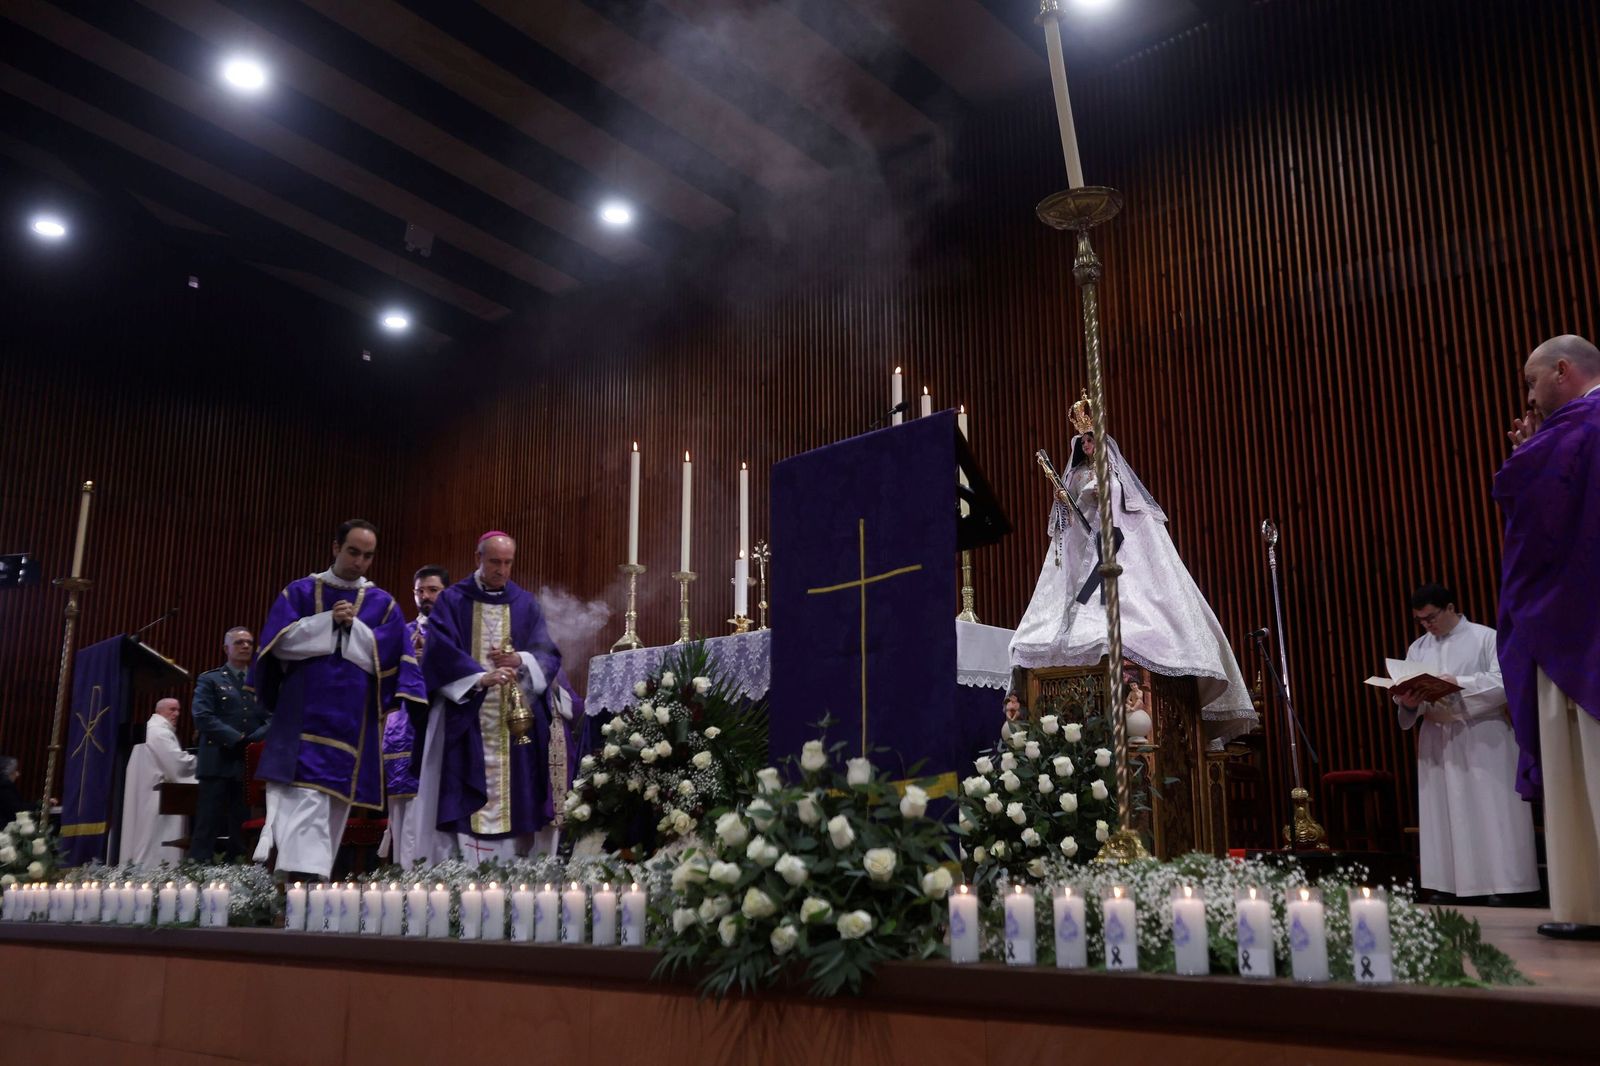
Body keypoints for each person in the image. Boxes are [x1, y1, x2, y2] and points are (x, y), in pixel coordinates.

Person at [1010, 392, 1256, 746]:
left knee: (1136, 614)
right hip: (1084, 551)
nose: (1088, 445)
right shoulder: (1077, 473)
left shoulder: (1112, 472)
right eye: (1083, 440)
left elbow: (1117, 508)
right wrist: (1064, 500)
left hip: (1116, 548)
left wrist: (1095, 495)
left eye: (1091, 438)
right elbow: (1066, 525)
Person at [250, 519, 426, 881]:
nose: (360, 561)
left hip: (351, 724)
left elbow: (391, 659)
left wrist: (353, 628)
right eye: (353, 552)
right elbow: (276, 645)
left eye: (368, 556)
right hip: (302, 717)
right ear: (335, 548)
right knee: (306, 795)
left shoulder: (382, 604)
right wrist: (326, 621)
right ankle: (302, 878)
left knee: (332, 803)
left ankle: (307, 879)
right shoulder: (299, 592)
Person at [1495, 333, 1600, 939]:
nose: (1530, 399)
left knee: (1580, 765)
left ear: (1563, 371)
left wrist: (1528, 454)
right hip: (1580, 616)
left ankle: (1584, 904)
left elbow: (1535, 513)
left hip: (1577, 627)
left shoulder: (1578, 428)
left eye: (1532, 384)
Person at [412, 532, 576, 864]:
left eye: (507, 562)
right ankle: (460, 872)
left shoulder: (525, 603)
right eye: (494, 562)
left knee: (516, 795)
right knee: (461, 788)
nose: (502, 570)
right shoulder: (453, 600)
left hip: (512, 724)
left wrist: (521, 660)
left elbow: (547, 653)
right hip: (466, 715)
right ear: (478, 559)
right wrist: (480, 678)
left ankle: (508, 870)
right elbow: (439, 653)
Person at [1394, 584, 1537, 901]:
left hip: (1481, 734)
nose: (1427, 625)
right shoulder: (1419, 648)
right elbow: (1408, 694)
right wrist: (1407, 701)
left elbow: (1504, 683)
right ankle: (1449, 884)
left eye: (1431, 617)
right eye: (1420, 620)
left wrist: (1457, 683)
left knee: (1490, 810)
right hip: (1438, 737)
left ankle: (1503, 885)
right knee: (1444, 814)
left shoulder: (1485, 637)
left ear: (1450, 607)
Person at [382, 565, 448, 869]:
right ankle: (405, 871)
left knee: (436, 798)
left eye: (433, 590)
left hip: (441, 722)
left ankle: (437, 870)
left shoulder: (454, 633)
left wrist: (431, 662)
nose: (425, 596)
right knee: (404, 807)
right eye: (420, 591)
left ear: (446, 592)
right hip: (403, 727)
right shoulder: (403, 633)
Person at [188, 628, 270, 861]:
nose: (245, 646)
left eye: (249, 643)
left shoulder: (260, 682)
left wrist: (253, 739)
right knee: (207, 821)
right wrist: (236, 738)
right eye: (239, 642)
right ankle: (198, 871)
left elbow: (273, 717)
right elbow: (202, 716)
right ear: (226, 648)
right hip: (217, 759)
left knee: (241, 822)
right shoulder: (210, 679)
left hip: (247, 762)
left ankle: (238, 870)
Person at [119, 699, 197, 867]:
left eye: (178, 710)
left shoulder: (152, 730)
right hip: (159, 797)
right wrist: (202, 763)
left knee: (145, 837)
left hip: (149, 793)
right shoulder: (159, 732)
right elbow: (176, 763)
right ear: (159, 711)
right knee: (154, 840)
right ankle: (155, 878)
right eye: (172, 709)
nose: (177, 714)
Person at [0, 755, 26, 828]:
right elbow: (17, 809)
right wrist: (39, 805)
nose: (17, 774)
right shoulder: (5, 787)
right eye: (14, 771)